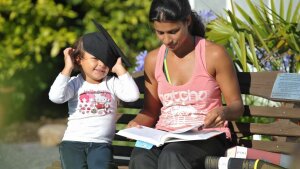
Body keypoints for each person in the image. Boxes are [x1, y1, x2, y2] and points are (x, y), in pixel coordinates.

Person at [127, 0, 244, 169]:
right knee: (141, 156)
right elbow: (150, 111)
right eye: (160, 33)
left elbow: (237, 106)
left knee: (173, 154)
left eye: (173, 31)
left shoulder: (213, 54)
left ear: (187, 21)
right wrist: (137, 123)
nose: (167, 40)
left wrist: (223, 111)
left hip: (206, 136)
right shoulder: (153, 59)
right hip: (164, 135)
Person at [49, 21, 140, 169]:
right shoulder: (74, 83)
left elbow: (132, 95)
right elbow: (56, 97)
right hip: (72, 143)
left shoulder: (112, 83)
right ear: (79, 59)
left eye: (106, 60)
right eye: (95, 58)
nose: (101, 64)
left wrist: (120, 69)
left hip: (101, 145)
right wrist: (68, 67)